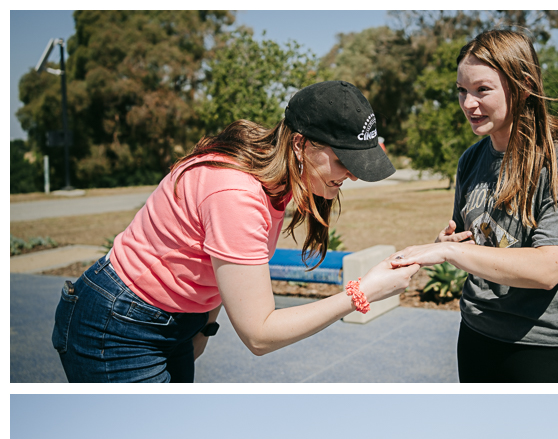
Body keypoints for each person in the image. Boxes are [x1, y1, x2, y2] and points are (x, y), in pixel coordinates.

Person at [53, 81, 418, 382]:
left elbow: (209, 257)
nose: (352, 174)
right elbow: (259, 334)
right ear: (300, 144)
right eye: (344, 161)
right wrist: (362, 291)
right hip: (118, 326)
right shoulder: (237, 194)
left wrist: (204, 325)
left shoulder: (275, 172)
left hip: (173, 322)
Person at [389, 30, 558, 383]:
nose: (468, 104)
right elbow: (477, 246)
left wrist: (450, 256)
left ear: (521, 87)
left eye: (482, 90)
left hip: (549, 347)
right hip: (477, 334)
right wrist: (450, 245)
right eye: (462, 91)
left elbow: (548, 268)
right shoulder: (471, 160)